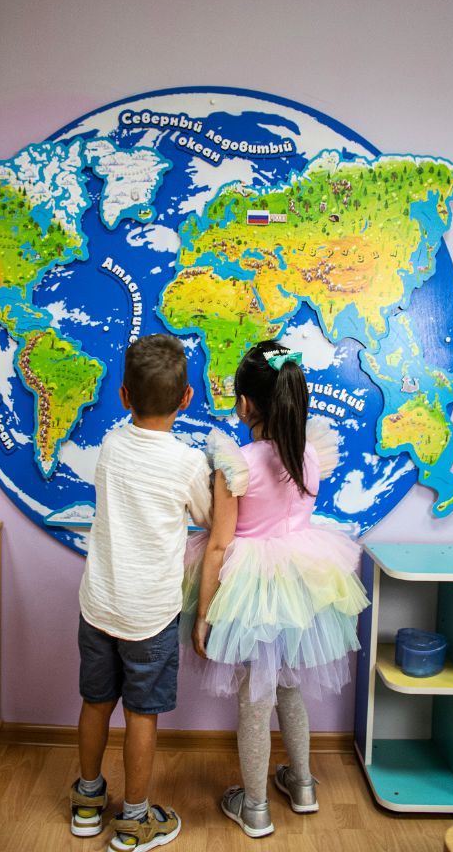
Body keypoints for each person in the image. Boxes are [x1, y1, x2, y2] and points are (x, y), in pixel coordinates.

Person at [186, 340, 369, 838]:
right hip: (302, 578)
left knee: (254, 697)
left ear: (245, 404)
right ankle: (303, 784)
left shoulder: (237, 464)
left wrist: (203, 614)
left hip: (248, 587)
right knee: (287, 684)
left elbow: (219, 544)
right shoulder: (308, 454)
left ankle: (255, 807)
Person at [71, 334, 212, 852]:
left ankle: (87, 802)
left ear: (124, 396)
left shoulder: (111, 444)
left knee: (95, 702)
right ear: (187, 398)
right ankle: (134, 821)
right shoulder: (188, 464)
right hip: (150, 614)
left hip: (99, 604)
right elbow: (208, 517)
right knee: (140, 714)